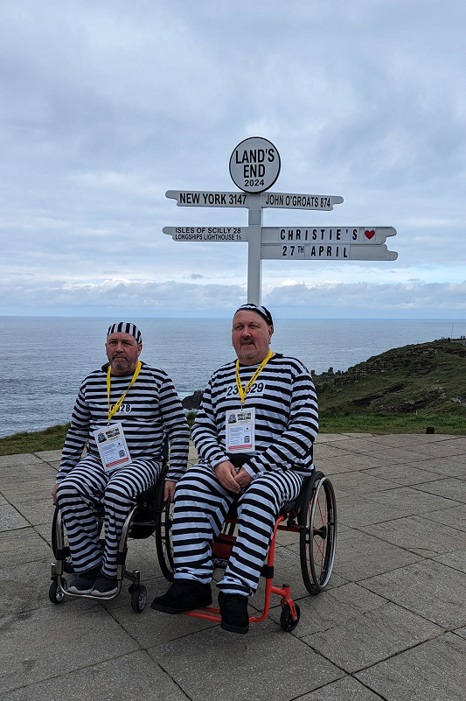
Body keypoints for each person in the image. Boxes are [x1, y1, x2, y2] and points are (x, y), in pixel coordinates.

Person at [151, 304, 318, 633]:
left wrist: (257, 466)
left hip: (281, 468)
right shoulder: (220, 376)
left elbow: (305, 427)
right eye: (238, 327)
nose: (245, 333)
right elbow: (201, 427)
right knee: (188, 487)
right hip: (225, 464)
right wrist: (218, 461)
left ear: (270, 331)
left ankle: (235, 591)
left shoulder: (292, 370)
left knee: (259, 495)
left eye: (253, 326)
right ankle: (193, 581)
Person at [52, 321, 189, 597]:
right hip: (99, 459)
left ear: (138, 348)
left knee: (117, 492)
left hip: (143, 460)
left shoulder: (158, 380)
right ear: (106, 348)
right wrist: (62, 475)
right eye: (113, 343)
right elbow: (77, 431)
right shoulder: (91, 383)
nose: (119, 349)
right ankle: (88, 563)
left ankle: (109, 569)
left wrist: (174, 475)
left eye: (126, 343)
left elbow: (178, 428)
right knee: (68, 491)